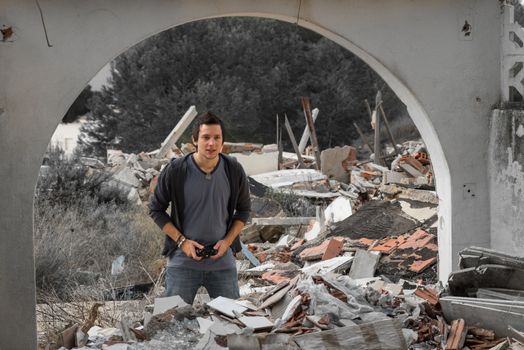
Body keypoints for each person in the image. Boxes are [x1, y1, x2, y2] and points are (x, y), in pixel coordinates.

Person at [148, 112, 250, 304]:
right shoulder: (176, 170)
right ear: (194, 140)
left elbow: (243, 211)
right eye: (205, 137)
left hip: (222, 263)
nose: (211, 143)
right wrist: (182, 242)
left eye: (216, 138)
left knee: (231, 324)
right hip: (182, 262)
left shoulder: (233, 170)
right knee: (172, 323)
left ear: (223, 141)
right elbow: (156, 210)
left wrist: (227, 242)